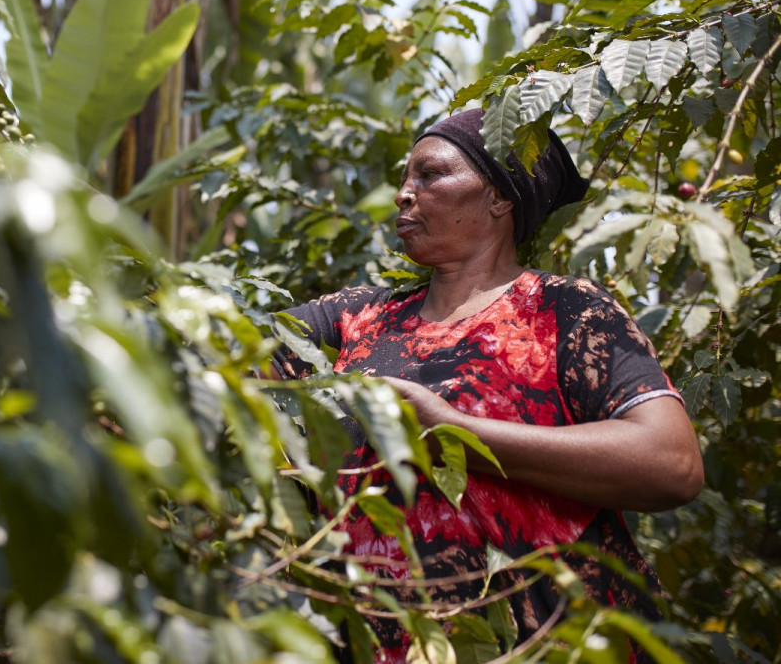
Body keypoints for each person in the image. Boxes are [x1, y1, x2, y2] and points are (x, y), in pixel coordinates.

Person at [269, 108, 704, 661]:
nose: (404, 193)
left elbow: (673, 464)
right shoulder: (352, 320)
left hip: (551, 642)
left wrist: (455, 432)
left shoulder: (565, 311)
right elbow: (221, 357)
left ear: (500, 197)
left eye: (429, 175)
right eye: (405, 178)